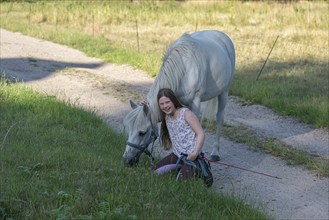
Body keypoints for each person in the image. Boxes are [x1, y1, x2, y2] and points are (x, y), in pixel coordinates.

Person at [153, 88, 212, 185]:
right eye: (161, 104)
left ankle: (201, 167)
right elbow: (149, 113)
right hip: (177, 155)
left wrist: (195, 154)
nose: (165, 106)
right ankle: (182, 167)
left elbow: (201, 133)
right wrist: (145, 104)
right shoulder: (166, 115)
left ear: (173, 101)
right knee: (153, 172)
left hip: (192, 157)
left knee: (180, 184)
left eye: (167, 102)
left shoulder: (186, 114)